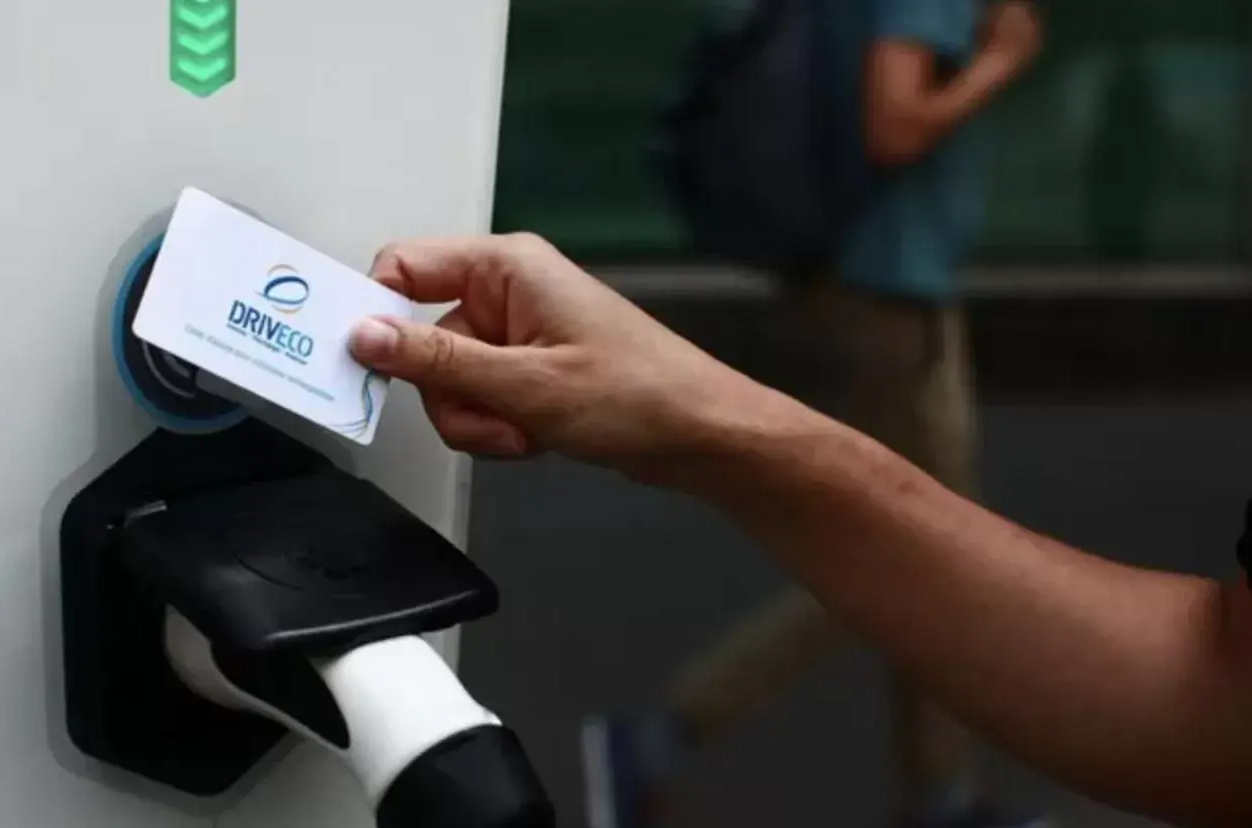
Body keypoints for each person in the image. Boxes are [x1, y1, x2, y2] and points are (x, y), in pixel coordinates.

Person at [349, 232, 1252, 828]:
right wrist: (997, 63)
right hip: (905, 306)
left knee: (918, 539)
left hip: (888, 293)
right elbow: (1218, 696)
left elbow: (1216, 700)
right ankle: (684, 737)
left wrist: (702, 423)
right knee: (920, 532)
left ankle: (922, 785)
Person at [589, 0, 1045, 825]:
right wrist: (1001, 61)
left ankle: (940, 793)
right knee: (911, 551)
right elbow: (893, 126)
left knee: (927, 550)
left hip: (867, 286)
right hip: (891, 296)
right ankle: (661, 735)